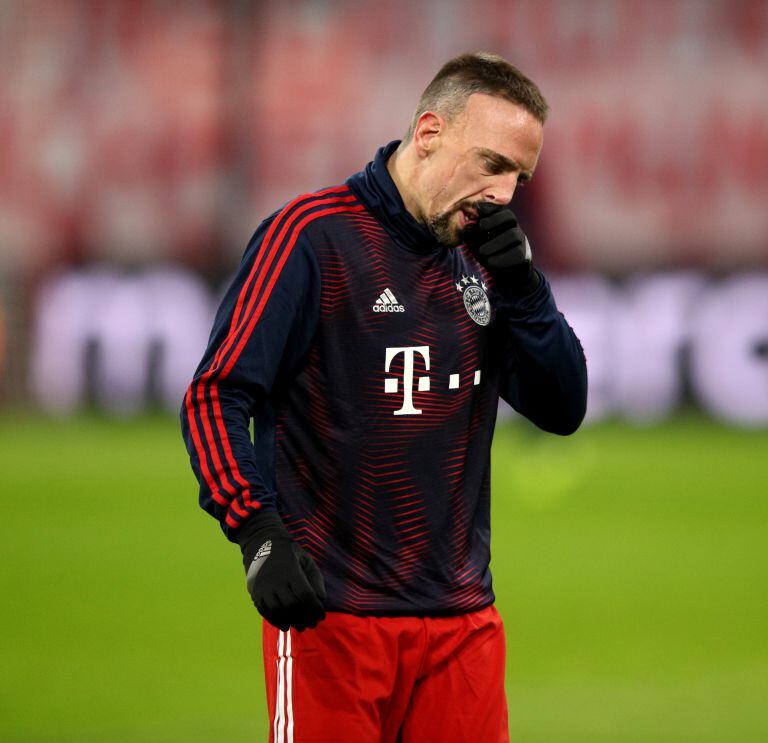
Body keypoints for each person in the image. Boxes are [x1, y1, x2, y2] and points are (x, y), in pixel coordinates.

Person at [180, 52, 587, 742]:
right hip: (332, 615)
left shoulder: (486, 262)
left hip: (462, 622)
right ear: (428, 133)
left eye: (519, 175)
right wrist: (257, 532)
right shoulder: (312, 238)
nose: (503, 193)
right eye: (490, 163)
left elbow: (563, 406)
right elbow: (218, 393)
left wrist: (526, 290)